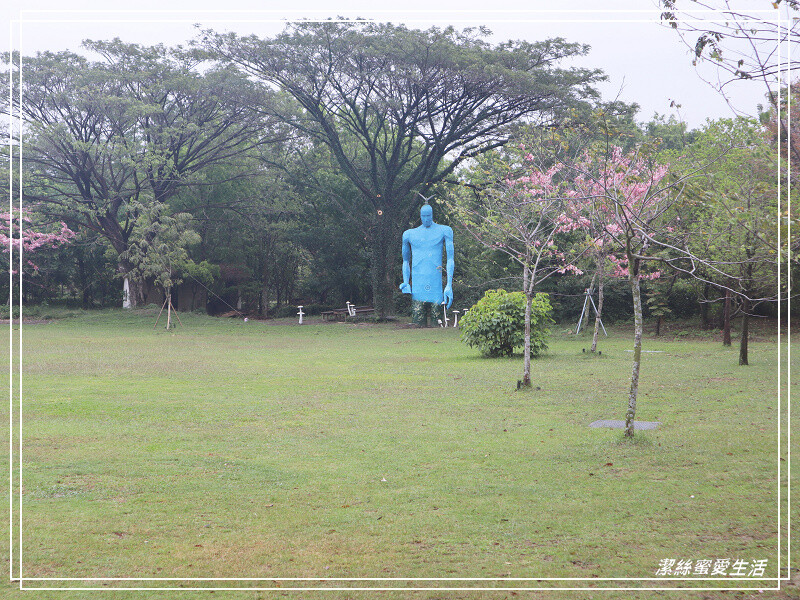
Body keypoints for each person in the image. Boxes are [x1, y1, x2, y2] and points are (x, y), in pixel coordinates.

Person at [399, 203, 454, 327]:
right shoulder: (409, 234)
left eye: (428, 216)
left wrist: (449, 285)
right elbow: (405, 261)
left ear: (432, 215)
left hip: (436, 288)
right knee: (418, 323)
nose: (426, 219)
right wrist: (406, 282)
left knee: (437, 323)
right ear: (420, 216)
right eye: (423, 216)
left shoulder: (444, 231)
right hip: (418, 288)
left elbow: (451, 259)